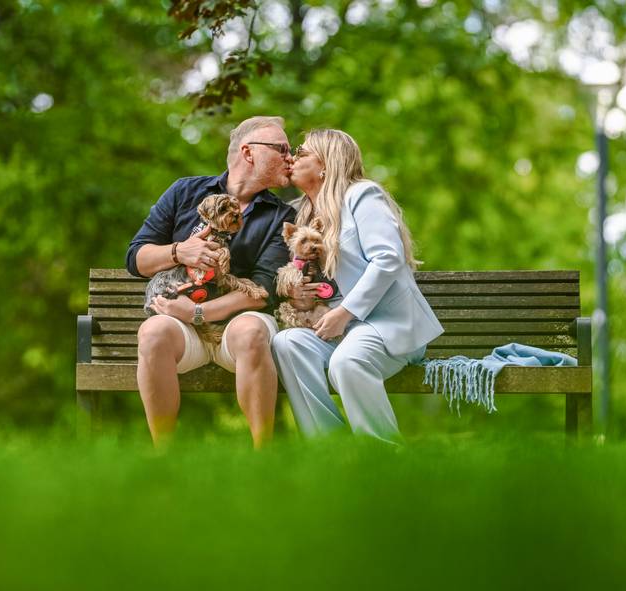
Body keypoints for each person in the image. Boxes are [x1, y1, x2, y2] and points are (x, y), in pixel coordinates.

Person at [127, 116, 296, 448]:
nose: (291, 158)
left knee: (251, 331)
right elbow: (136, 258)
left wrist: (198, 314)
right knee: (152, 332)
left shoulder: (283, 216)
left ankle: (265, 459)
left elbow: (262, 291)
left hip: (235, 328)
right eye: (282, 149)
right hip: (183, 331)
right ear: (249, 152)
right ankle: (165, 458)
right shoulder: (184, 192)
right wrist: (179, 251)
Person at [271, 129, 443, 443]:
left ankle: (383, 457)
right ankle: (331, 451)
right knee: (287, 343)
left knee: (347, 360)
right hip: (338, 328)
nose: (293, 157)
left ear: (325, 164)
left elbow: (388, 258)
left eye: (303, 151)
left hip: (386, 325)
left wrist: (345, 313)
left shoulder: (362, 195)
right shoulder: (303, 213)